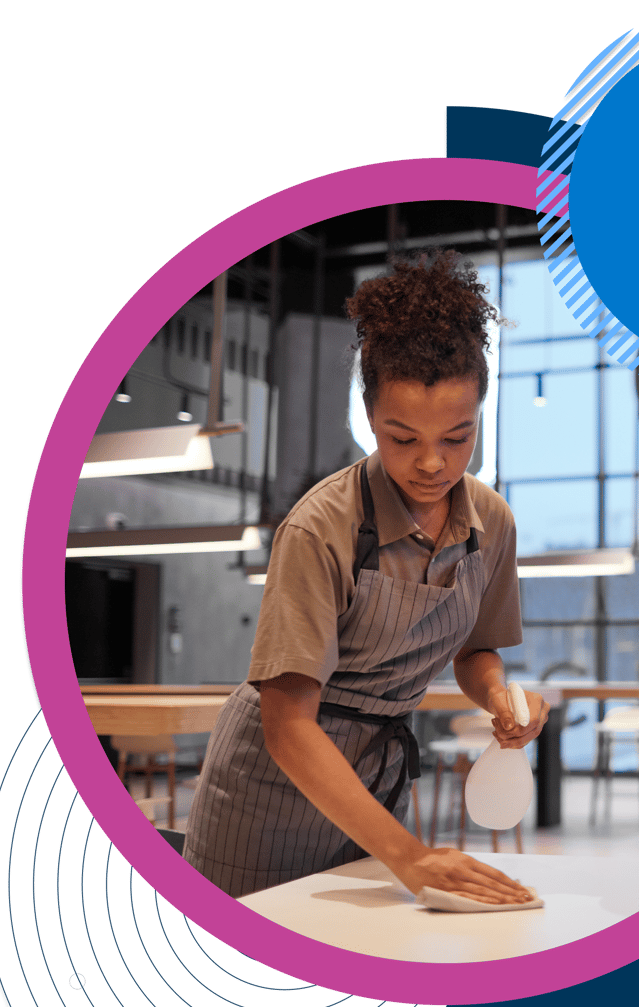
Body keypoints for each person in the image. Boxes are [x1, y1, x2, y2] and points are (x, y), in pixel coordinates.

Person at [183, 250, 548, 905]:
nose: (432, 462)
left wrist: (497, 695)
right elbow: (287, 724)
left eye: (458, 437)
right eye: (401, 438)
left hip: (375, 792)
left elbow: (474, 650)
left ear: (482, 415)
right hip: (267, 796)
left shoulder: (491, 522)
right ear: (370, 415)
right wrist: (411, 855)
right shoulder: (323, 525)